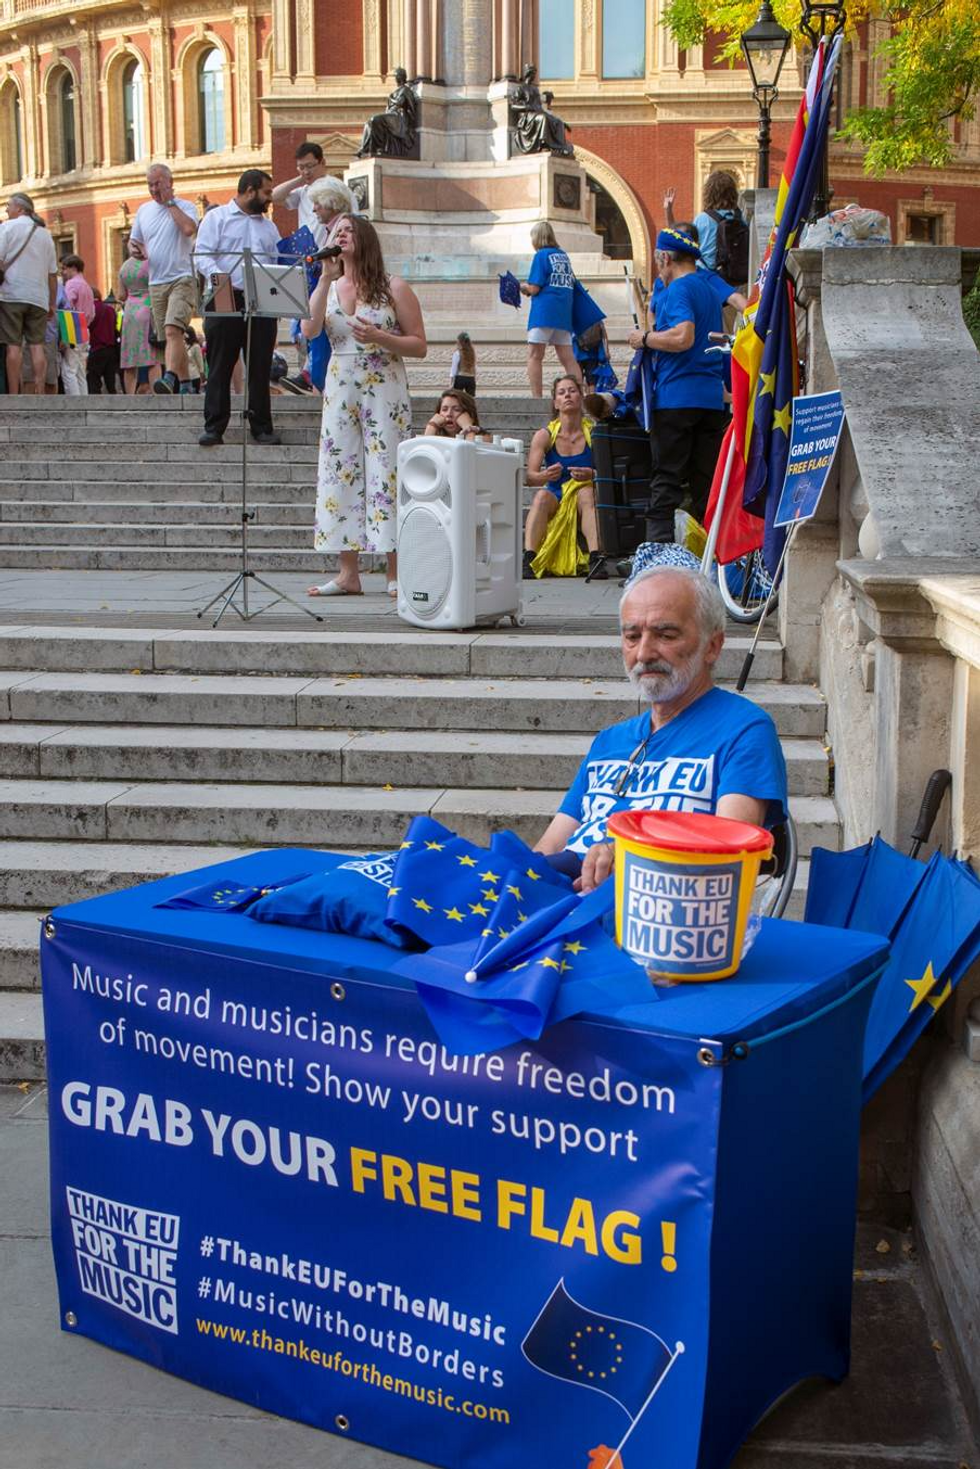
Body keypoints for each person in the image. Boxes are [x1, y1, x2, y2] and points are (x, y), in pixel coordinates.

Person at [536, 565, 788, 891]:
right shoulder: (610, 741)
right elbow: (549, 849)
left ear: (712, 646)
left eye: (665, 635)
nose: (644, 653)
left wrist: (633, 862)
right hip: (562, 906)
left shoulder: (744, 730)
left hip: (656, 918)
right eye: (632, 636)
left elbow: (730, 858)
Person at [304, 214, 426, 597]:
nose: (340, 236)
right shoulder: (331, 285)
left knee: (386, 471)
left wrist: (379, 336)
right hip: (340, 385)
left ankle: (394, 570)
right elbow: (309, 330)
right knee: (341, 470)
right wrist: (324, 278)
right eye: (335, 232)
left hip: (383, 386)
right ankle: (347, 572)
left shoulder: (393, 288)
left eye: (347, 230)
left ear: (365, 239)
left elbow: (419, 344)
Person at [627, 228, 728, 544]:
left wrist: (644, 339)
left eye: (659, 261)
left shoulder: (678, 290)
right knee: (706, 485)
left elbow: (683, 337)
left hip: (676, 398)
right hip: (711, 401)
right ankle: (713, 557)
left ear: (665, 258)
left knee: (666, 480)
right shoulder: (710, 292)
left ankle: (655, 556)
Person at [194, 169, 282, 449]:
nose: (270, 198)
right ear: (250, 190)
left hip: (261, 299)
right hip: (223, 294)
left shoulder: (269, 227)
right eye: (266, 192)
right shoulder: (216, 218)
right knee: (220, 363)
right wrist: (223, 279)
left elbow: (276, 262)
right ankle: (214, 426)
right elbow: (203, 255)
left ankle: (261, 426)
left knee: (260, 364)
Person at [523, 373, 604, 580]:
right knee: (541, 496)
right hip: (555, 493)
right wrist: (545, 475)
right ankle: (529, 559)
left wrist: (591, 474)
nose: (567, 395)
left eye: (572, 391)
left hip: (583, 496)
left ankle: (596, 557)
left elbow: (608, 473)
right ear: (555, 403)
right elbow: (530, 477)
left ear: (581, 397)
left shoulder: (594, 433)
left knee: (587, 493)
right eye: (561, 392)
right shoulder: (545, 435)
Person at [129, 163, 199, 395]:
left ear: (170, 183)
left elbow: (189, 229)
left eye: (157, 184)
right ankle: (187, 384)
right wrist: (135, 249)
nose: (153, 189)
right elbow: (134, 241)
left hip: (182, 278)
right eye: (149, 184)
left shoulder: (186, 206)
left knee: (172, 329)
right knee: (170, 336)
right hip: (156, 281)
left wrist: (170, 203)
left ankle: (169, 378)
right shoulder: (143, 211)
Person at [0, 191, 57, 396]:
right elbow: (52, 274)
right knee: (37, 346)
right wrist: (51, 302)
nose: (6, 209)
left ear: (21, 209)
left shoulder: (6, 228)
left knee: (13, 346)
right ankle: (39, 391)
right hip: (38, 298)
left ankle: (15, 394)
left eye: (9, 205)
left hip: (11, 295)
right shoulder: (45, 234)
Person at [521, 222, 581, 398]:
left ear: (537, 238)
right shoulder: (563, 256)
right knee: (568, 358)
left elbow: (534, 288)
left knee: (534, 356)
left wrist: (522, 287)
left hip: (544, 313)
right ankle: (579, 395)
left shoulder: (541, 255)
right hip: (563, 314)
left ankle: (536, 399)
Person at [116, 238, 159, 394]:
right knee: (152, 357)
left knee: (130, 359)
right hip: (148, 309)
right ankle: (156, 395)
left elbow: (121, 295)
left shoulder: (124, 267)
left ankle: (130, 396)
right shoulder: (151, 263)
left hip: (129, 312)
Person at [271, 140, 333, 248]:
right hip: (306, 253)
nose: (306, 171)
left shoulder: (334, 188)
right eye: (301, 167)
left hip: (327, 251)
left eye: (310, 166)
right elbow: (273, 196)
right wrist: (301, 179)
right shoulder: (303, 191)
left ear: (322, 162)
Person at [356, 68, 418, 158]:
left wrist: (390, 98)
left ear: (400, 77)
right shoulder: (396, 91)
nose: (395, 78)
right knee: (368, 123)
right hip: (391, 115)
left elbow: (399, 103)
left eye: (396, 76)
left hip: (398, 116)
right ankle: (366, 149)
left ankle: (378, 147)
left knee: (375, 120)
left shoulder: (405, 90)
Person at [59, 253, 96, 395]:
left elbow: (66, 308)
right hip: (84, 329)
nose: (62, 272)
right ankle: (84, 403)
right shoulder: (87, 286)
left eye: (64, 268)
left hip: (72, 327)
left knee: (69, 370)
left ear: (73, 268)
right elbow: (92, 313)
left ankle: (75, 405)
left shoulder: (71, 284)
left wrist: (64, 335)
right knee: (80, 371)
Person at [86, 290, 119, 394]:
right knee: (110, 382)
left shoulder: (91, 309)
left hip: (96, 348)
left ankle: (96, 405)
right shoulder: (110, 310)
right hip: (111, 350)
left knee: (94, 380)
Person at [184, 327, 205, 391]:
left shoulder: (196, 346)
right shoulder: (183, 345)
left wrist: (202, 377)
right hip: (185, 377)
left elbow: (200, 363)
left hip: (194, 376)